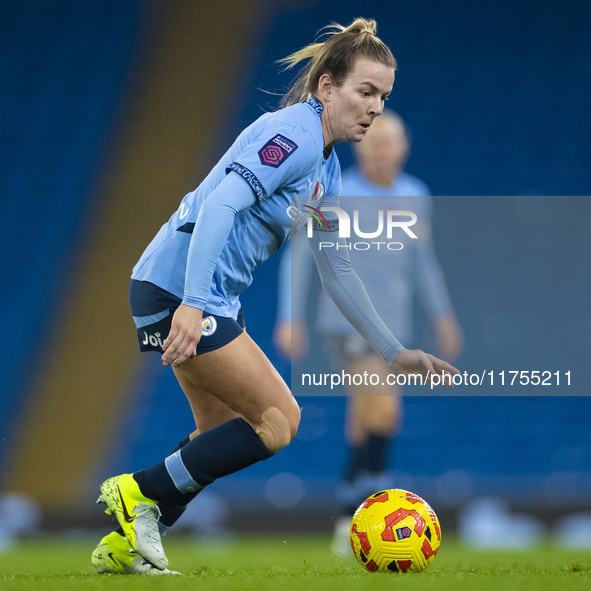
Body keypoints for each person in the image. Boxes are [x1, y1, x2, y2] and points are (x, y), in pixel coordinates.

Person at [90, 18, 460, 575]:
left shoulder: (327, 169)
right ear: (327, 87)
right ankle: (138, 491)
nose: (376, 108)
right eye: (365, 92)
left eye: (383, 96)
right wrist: (192, 301)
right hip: (182, 286)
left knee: (217, 434)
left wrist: (393, 352)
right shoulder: (293, 135)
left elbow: (336, 271)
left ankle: (130, 542)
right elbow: (219, 207)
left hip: (199, 291)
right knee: (278, 421)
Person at [274, 110, 463, 555]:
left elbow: (423, 261)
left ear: (404, 148)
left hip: (394, 328)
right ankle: (376, 517)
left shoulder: (416, 195)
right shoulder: (334, 194)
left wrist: (443, 316)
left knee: (363, 425)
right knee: (385, 415)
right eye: (374, 144)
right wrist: (289, 317)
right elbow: (300, 257)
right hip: (348, 324)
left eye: (390, 144)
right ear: (360, 148)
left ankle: (348, 521)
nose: (382, 152)